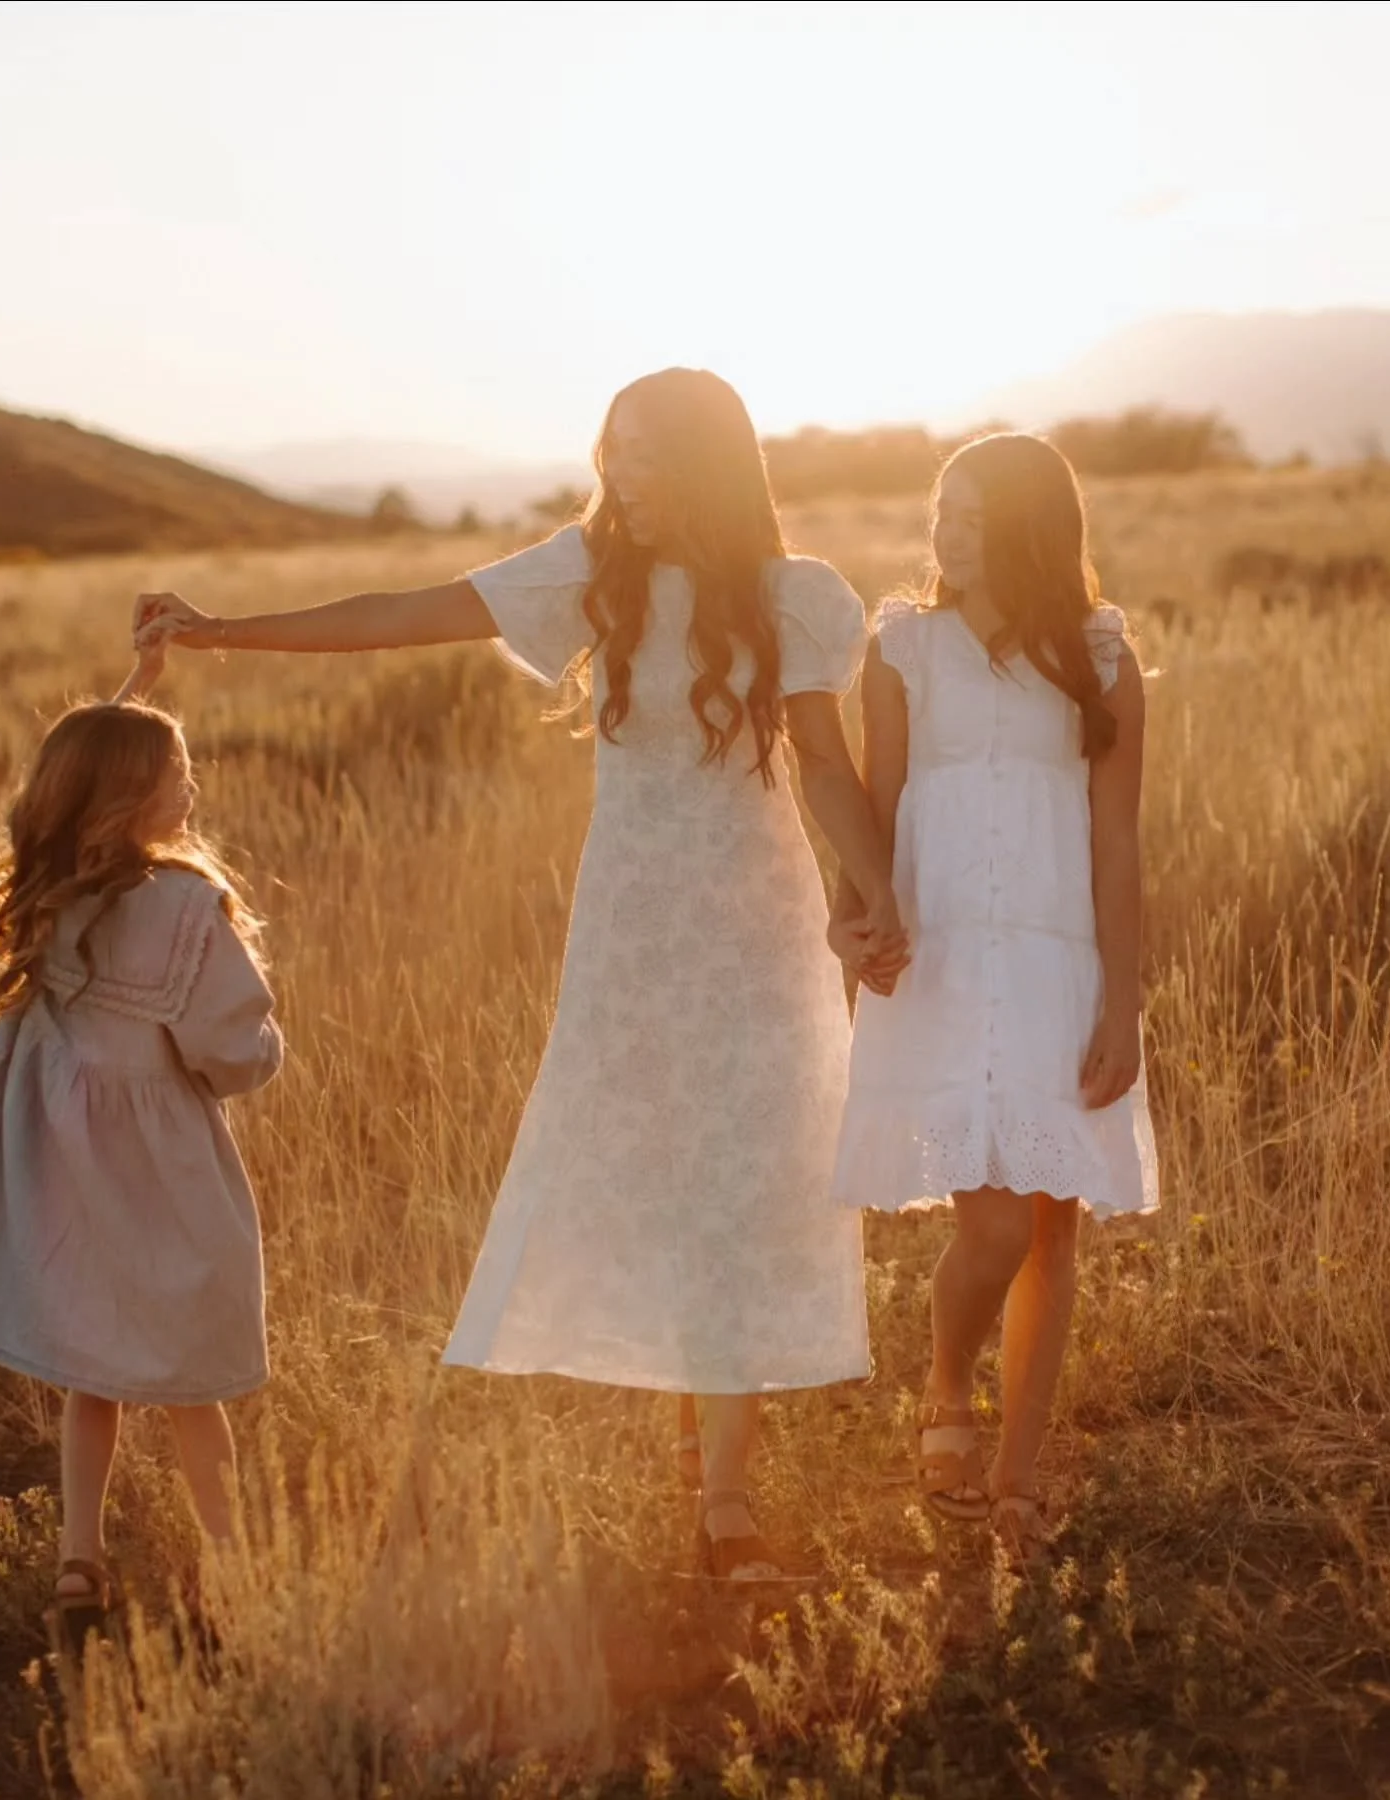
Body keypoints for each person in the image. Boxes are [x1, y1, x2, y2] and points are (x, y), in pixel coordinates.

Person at [133, 367, 905, 1580]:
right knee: (654, 1165)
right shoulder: (589, 576)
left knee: (749, 1174)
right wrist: (221, 630)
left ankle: (725, 1494)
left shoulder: (798, 597)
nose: (624, 479)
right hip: (636, 929)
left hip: (758, 927)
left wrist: (879, 894)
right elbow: (402, 611)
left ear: (709, 463)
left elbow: (825, 765)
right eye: (614, 455)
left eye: (649, 456)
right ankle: (692, 1429)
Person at [829, 433, 1158, 1561]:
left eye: (968, 514)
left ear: (1026, 528)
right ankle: (947, 1388)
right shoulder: (903, 648)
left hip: (1057, 964)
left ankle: (1018, 1476)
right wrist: (859, 916)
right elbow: (874, 805)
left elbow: (1117, 845)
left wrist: (1124, 1003)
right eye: (938, 510)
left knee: (1051, 1231)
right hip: (943, 958)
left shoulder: (1102, 660)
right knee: (994, 1223)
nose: (942, 532)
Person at [0, 643, 284, 1648]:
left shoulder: (55, 887)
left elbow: (63, 784)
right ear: (139, 797)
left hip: (71, 1171)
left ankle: (80, 1556)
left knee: (93, 1376)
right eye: (178, 770)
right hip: (162, 1171)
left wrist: (130, 700)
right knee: (197, 1382)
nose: (191, 783)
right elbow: (228, 1051)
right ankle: (230, 1560)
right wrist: (262, 1053)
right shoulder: (189, 910)